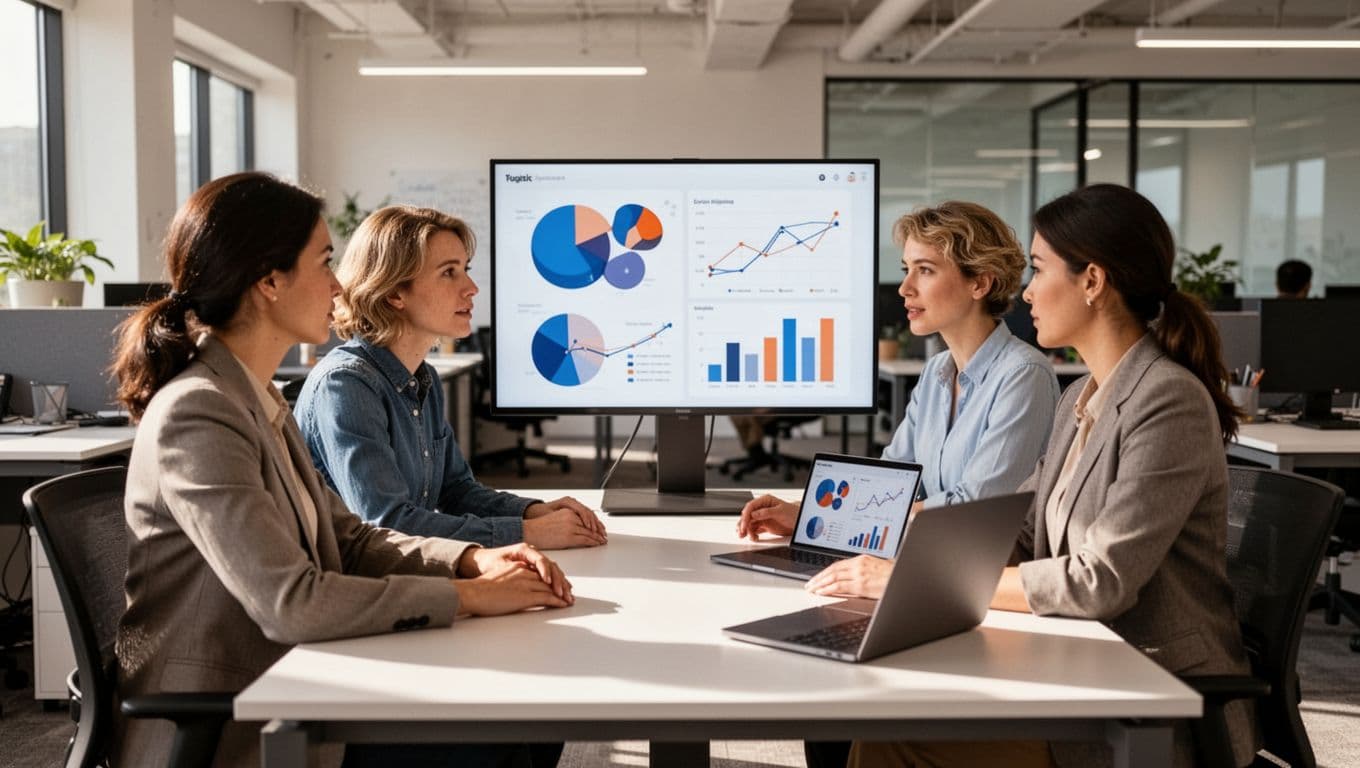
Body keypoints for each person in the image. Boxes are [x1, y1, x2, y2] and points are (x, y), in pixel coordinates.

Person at [110, 173, 574, 768]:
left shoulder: (256, 399)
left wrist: (474, 558)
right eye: (325, 261)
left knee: (530, 715)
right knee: (504, 730)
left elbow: (350, 539)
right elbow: (291, 602)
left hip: (300, 675)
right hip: (239, 713)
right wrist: (470, 596)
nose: (338, 283)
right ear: (269, 281)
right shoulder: (199, 412)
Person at [844, 184, 1256, 768]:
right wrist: (906, 577)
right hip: (1077, 661)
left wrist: (915, 583)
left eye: (1039, 270)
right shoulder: (1080, 398)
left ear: (1092, 281)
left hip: (1145, 698)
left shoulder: (1168, 402)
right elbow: (1017, 526)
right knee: (883, 714)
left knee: (897, 736)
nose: (1028, 291)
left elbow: (1098, 581)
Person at [737, 200, 1059, 551]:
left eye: (925, 270)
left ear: (980, 283)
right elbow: (893, 479)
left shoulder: (1024, 375)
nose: (905, 287)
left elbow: (973, 508)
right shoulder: (937, 371)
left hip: (983, 574)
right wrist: (804, 512)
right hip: (925, 553)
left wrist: (837, 518)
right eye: (907, 268)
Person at [295, 205, 606, 551]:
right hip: (361, 586)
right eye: (449, 273)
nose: (471, 287)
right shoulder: (346, 385)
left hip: (411, 572)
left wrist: (533, 512)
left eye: (465, 270)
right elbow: (388, 522)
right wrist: (527, 534)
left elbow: (455, 489)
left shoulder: (422, 378)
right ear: (395, 293)